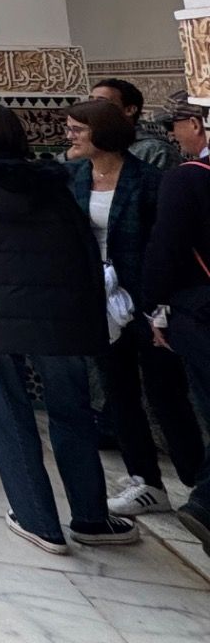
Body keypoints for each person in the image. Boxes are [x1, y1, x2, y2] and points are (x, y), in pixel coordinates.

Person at [0, 102, 139, 554]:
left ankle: (37, 519)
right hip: (59, 318)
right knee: (72, 414)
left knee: (7, 417)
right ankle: (91, 517)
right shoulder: (53, 184)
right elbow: (83, 250)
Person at [64, 97, 204, 518]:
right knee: (118, 391)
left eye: (77, 129)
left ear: (101, 133)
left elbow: (166, 246)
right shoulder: (73, 177)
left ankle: (198, 482)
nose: (69, 136)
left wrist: (158, 305)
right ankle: (146, 480)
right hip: (99, 299)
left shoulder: (149, 181)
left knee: (166, 392)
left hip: (146, 300)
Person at [145, 97, 210, 554]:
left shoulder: (187, 180)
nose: (174, 135)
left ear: (197, 124)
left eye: (178, 125)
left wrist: (154, 307)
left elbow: (165, 250)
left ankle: (206, 502)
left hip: (200, 310)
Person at [92, 77, 181, 171]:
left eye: (101, 102)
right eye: (91, 101)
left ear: (129, 110)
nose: (91, 107)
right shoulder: (90, 145)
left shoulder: (155, 150)